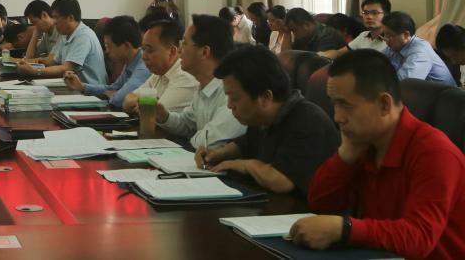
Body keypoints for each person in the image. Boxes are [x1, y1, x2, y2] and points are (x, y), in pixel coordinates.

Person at [289, 50, 465, 258]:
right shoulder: (365, 141)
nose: (337, 117)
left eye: (345, 105)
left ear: (384, 104)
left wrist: (346, 229)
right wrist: (345, 155)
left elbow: (419, 238)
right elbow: (320, 203)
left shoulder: (435, 153)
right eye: (334, 104)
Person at [198, 46, 339, 196]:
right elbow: (246, 143)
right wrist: (217, 154)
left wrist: (245, 165)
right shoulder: (263, 118)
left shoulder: (308, 121)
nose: (229, 105)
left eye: (235, 98)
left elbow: (281, 181)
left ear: (265, 97)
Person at [155, 15, 246, 150]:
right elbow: (187, 123)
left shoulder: (230, 91)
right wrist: (164, 117)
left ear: (204, 52)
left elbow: (211, 141)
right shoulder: (204, 85)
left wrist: (192, 137)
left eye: (185, 43)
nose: (179, 50)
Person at [64, 15, 150, 108]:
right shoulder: (130, 61)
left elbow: (118, 100)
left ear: (126, 46)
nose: (107, 51)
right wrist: (82, 87)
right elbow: (113, 88)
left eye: (109, 46)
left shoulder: (143, 68)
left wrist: (112, 94)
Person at [18, 0, 107, 85]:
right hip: (73, 86)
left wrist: (35, 71)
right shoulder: (65, 35)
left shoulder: (84, 36)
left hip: (91, 90)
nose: (54, 21)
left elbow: (67, 68)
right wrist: (30, 63)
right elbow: (53, 61)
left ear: (70, 18)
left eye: (56, 17)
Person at [121, 19, 198, 114]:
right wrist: (146, 104)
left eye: (149, 50)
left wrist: (143, 103)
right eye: (143, 49)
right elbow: (127, 101)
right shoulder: (159, 73)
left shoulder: (185, 77)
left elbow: (157, 115)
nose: (144, 57)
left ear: (172, 51)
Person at [381, 11, 454, 84]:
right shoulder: (395, 46)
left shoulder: (420, 52)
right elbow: (377, 61)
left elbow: (404, 84)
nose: (385, 39)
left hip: (441, 91)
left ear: (406, 35)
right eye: (384, 35)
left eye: (389, 35)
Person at [319, 0, 390, 59]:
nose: (369, 17)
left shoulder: (390, 40)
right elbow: (339, 52)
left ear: (386, 15)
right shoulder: (363, 35)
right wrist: (318, 55)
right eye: (365, 13)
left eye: (374, 13)